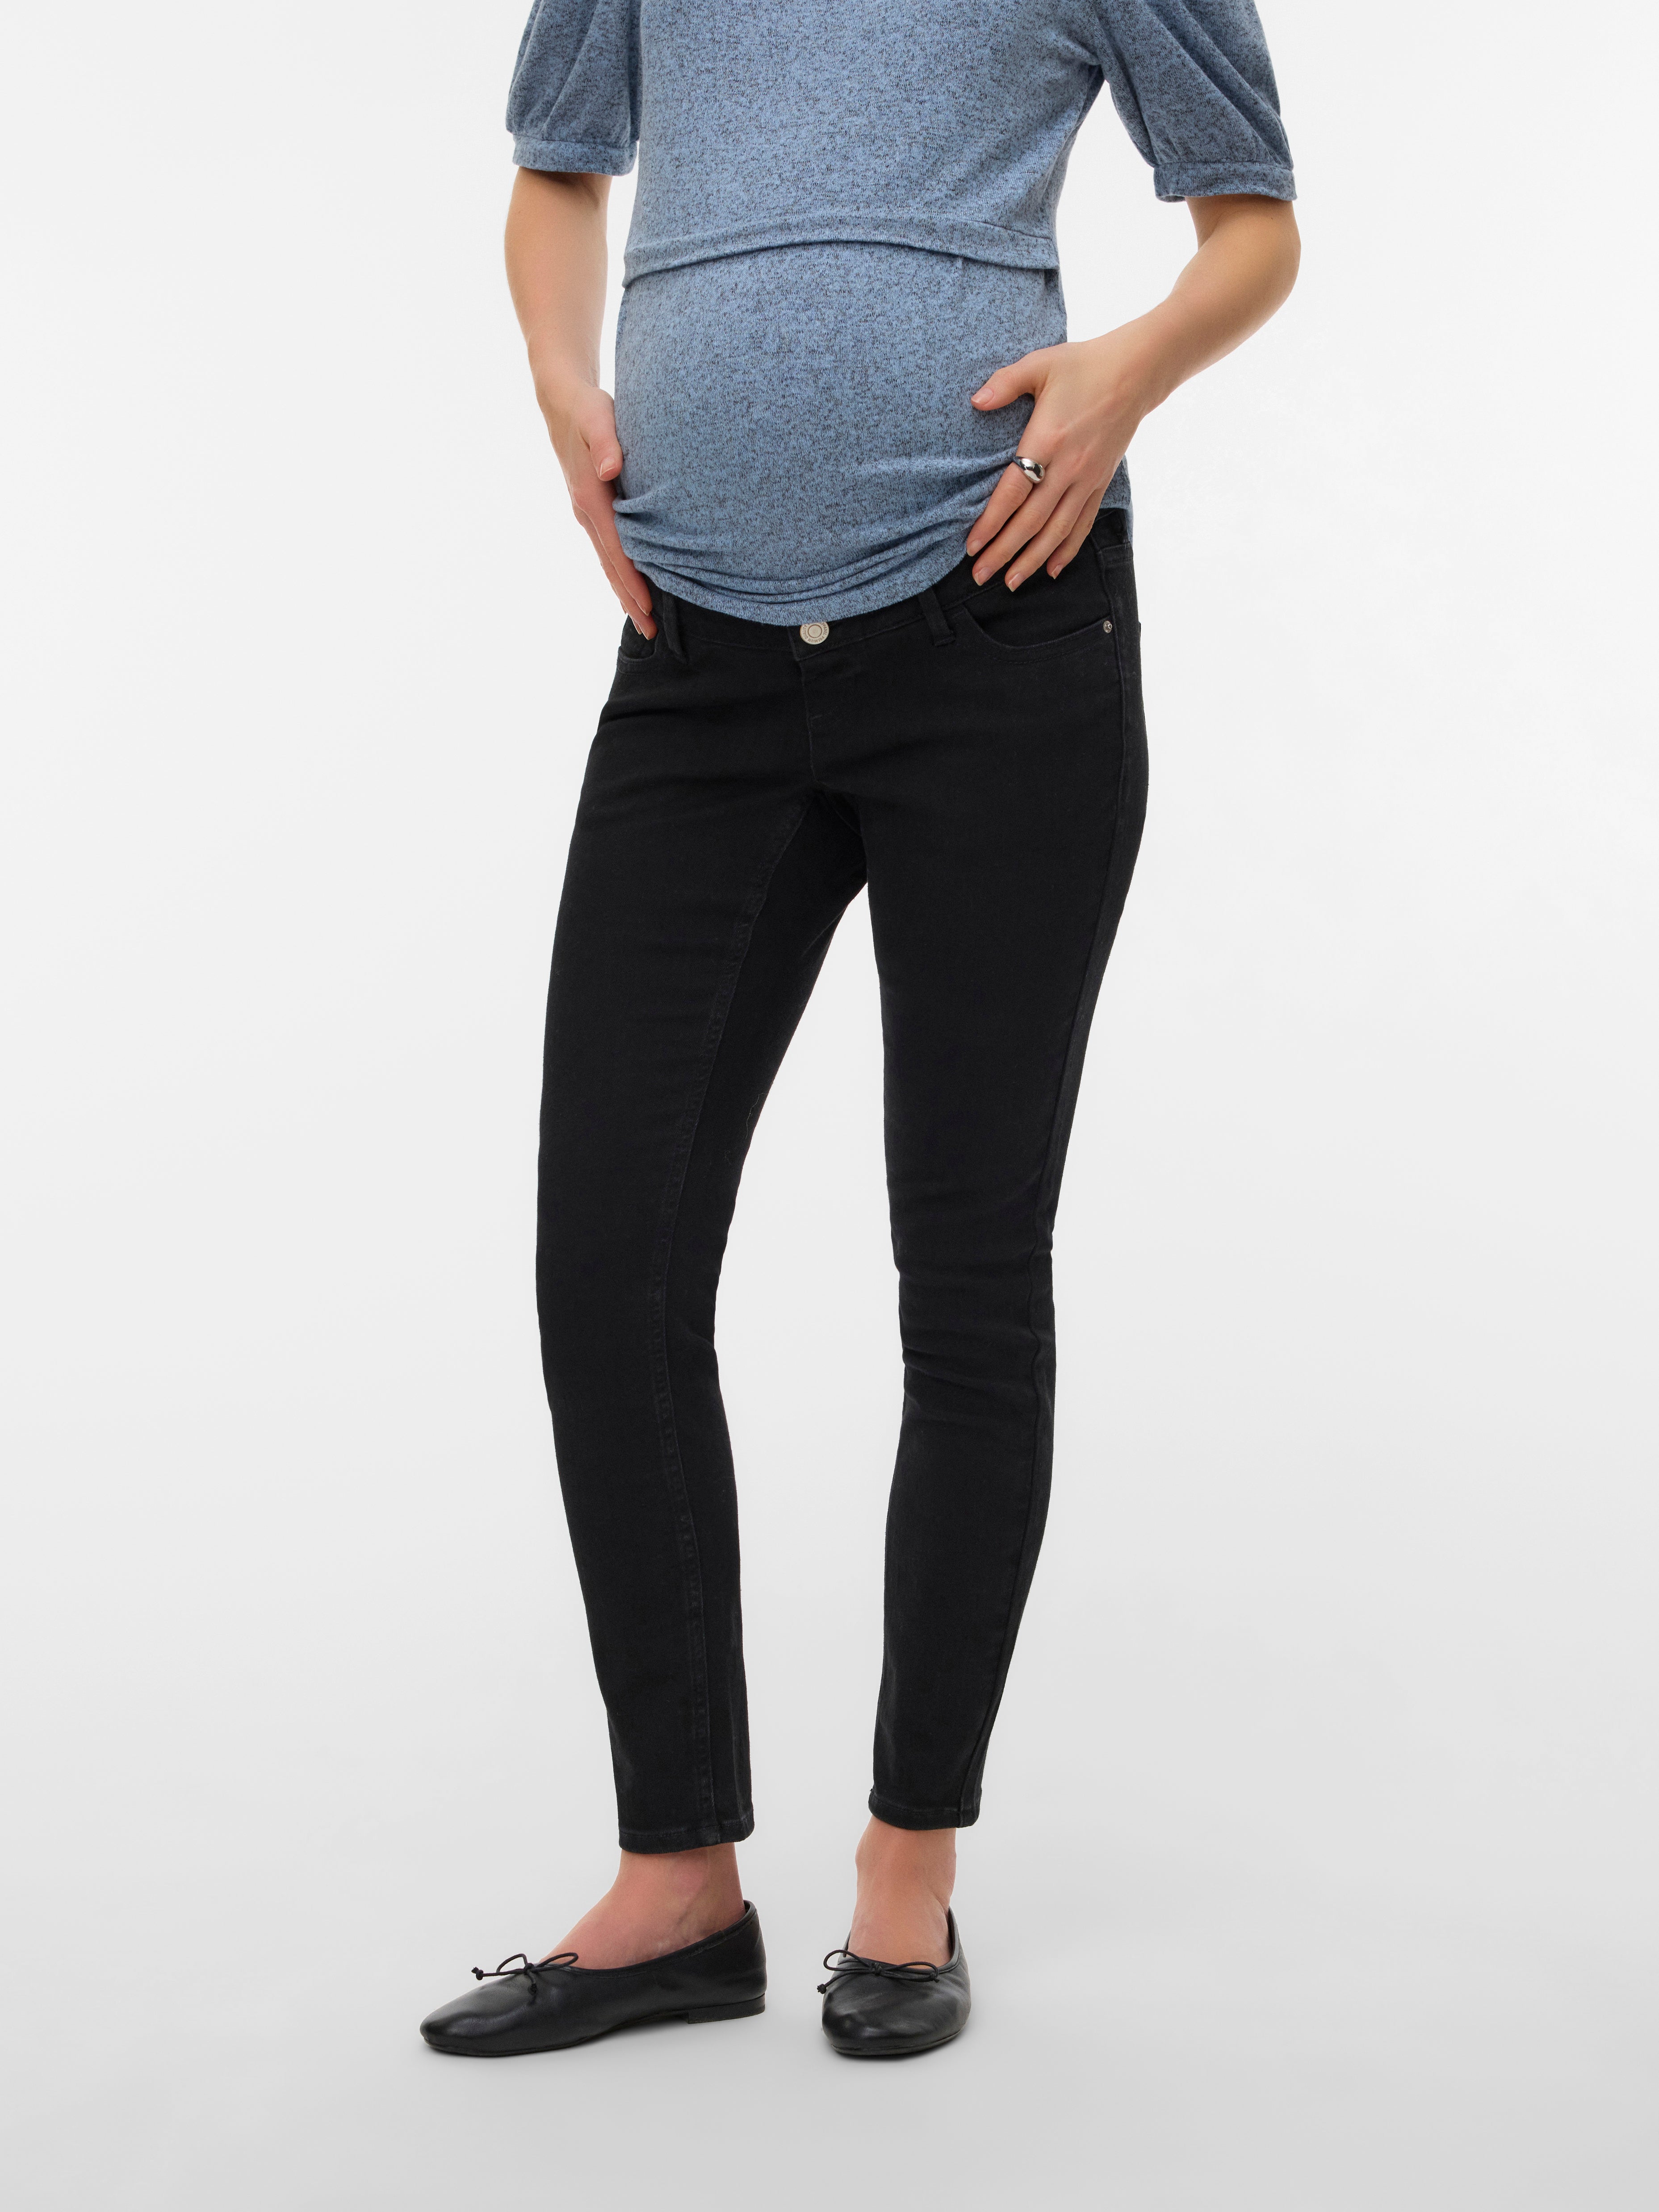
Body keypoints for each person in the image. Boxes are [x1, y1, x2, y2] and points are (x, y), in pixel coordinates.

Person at [420, 0, 1298, 2061]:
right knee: (608, 1265)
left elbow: (1252, 226)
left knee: (964, 1274)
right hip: (694, 661)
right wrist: (560, 377)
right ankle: (677, 1884)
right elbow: (556, 169)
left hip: (997, 637)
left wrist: (1123, 373)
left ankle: (907, 1871)